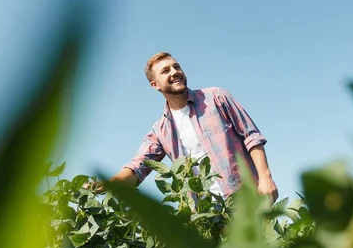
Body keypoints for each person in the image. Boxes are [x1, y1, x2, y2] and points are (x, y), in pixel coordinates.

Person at [96, 51, 278, 204]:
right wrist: (107, 184)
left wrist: (265, 178)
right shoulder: (160, 132)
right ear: (155, 85)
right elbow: (138, 168)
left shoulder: (215, 97)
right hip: (207, 214)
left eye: (176, 67)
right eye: (165, 71)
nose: (174, 72)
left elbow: (251, 136)